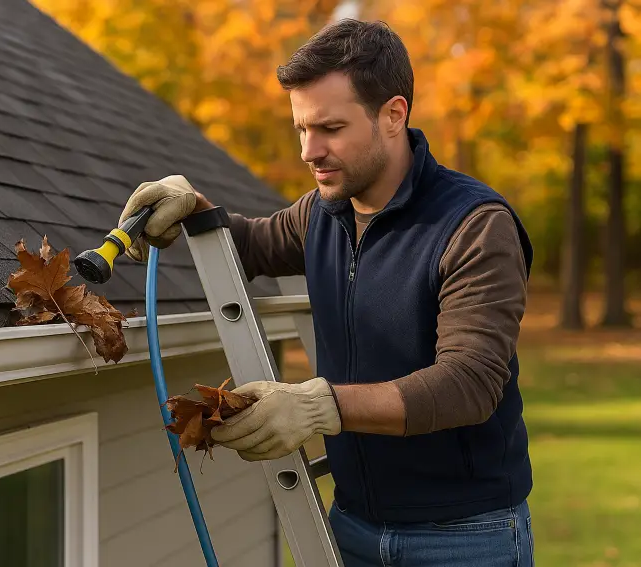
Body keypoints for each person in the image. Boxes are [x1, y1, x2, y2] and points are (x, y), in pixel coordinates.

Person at [119, 19, 535, 567]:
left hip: (462, 536)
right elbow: (251, 243)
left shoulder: (474, 225)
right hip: (350, 524)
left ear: (394, 114)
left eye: (330, 128)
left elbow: (470, 382)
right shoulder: (323, 212)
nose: (308, 151)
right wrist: (194, 209)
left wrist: (319, 407)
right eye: (301, 129)